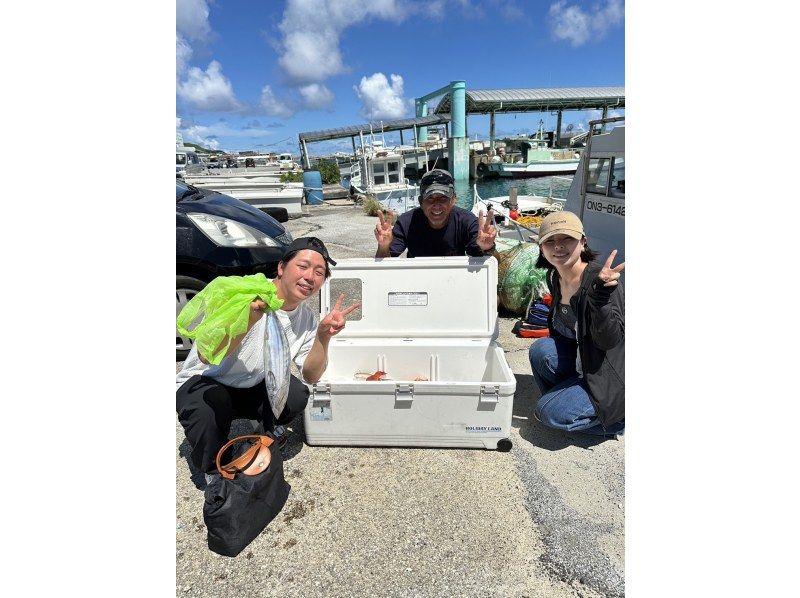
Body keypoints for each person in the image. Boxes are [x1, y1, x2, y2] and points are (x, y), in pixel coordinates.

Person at [176, 237, 360, 479]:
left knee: (296, 394)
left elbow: (311, 375)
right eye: (303, 266)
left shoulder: (305, 319)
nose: (310, 277)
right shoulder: (244, 293)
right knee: (207, 416)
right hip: (207, 381)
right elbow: (206, 356)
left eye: (319, 272)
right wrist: (248, 319)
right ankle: (215, 470)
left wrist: (323, 336)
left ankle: (263, 427)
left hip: (253, 383)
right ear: (281, 268)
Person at [527, 211, 625, 437]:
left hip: (608, 371)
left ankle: (618, 421)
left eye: (567, 239)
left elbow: (611, 340)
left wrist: (599, 299)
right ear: (541, 248)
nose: (558, 247)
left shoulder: (601, 281)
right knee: (540, 350)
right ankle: (570, 397)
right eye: (550, 241)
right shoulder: (554, 276)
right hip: (583, 360)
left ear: (583, 242)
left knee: (548, 413)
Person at [374, 168, 497, 258]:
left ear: (453, 200)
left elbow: (494, 266)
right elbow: (383, 268)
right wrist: (383, 246)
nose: (436, 204)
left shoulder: (466, 221)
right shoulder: (406, 222)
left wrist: (488, 248)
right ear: (421, 202)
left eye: (443, 198)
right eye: (430, 198)